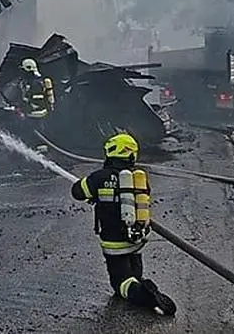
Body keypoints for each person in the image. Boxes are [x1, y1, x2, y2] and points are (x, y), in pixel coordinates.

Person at [71, 132, 177, 316]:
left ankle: (148, 296)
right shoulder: (138, 178)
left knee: (120, 284)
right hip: (137, 238)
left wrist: (96, 192)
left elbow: (78, 192)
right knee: (134, 275)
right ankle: (138, 283)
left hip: (114, 243)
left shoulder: (99, 177)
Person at [16, 58, 54, 153]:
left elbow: (38, 102)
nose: (22, 73)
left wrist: (24, 109)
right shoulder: (29, 82)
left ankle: (40, 151)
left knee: (36, 133)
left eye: (24, 70)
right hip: (32, 113)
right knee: (30, 133)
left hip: (37, 114)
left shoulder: (36, 83)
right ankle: (34, 149)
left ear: (29, 70)